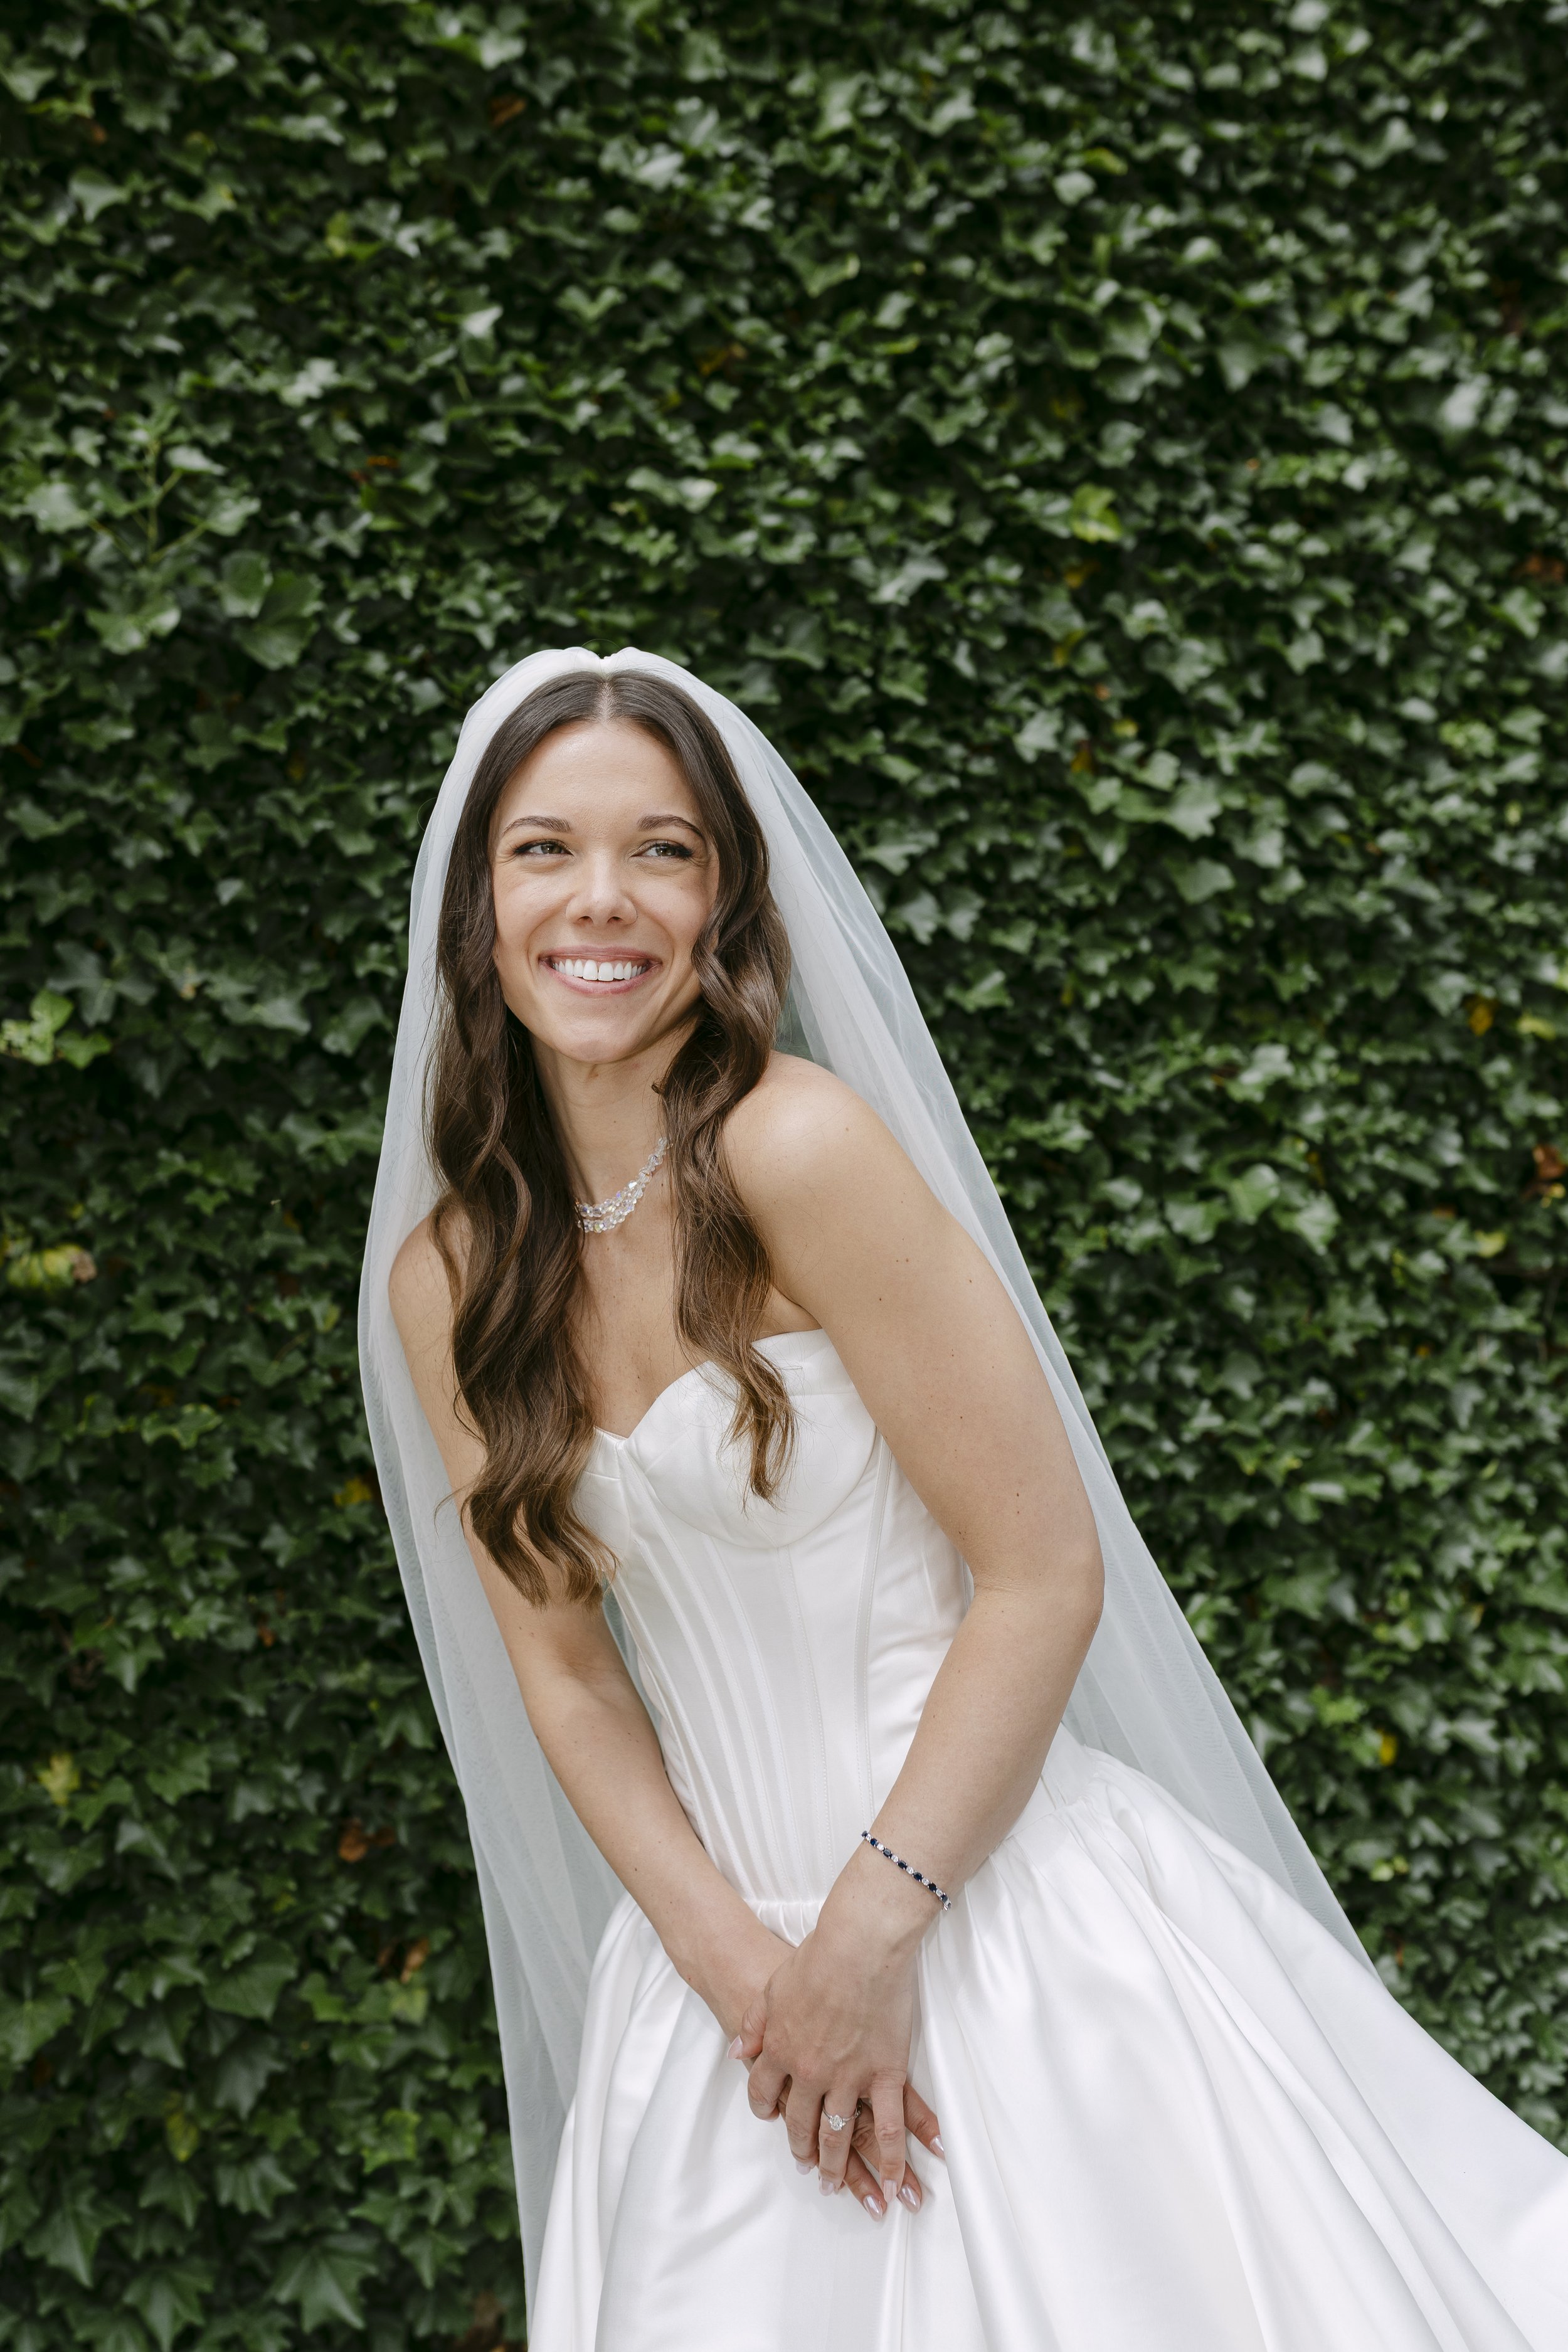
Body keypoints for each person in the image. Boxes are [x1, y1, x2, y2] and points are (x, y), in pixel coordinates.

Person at [361, 649, 1568, 2351]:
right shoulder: (453, 1277)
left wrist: (864, 1941)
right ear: (477, 901)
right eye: (544, 850)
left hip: (988, 1923)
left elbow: (1039, 1573)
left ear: (724, 901)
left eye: (664, 850)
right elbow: (564, 1675)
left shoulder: (799, 1150)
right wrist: (744, 1979)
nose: (601, 900)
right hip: (720, 1997)